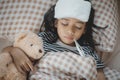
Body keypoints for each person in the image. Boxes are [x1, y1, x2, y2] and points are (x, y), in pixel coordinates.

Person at [6, 0, 106, 80]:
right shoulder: (43, 39)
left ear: (84, 29)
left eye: (78, 27)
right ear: (56, 23)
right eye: (64, 24)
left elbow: (100, 76)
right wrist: (15, 52)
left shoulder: (88, 51)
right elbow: (7, 51)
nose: (70, 31)